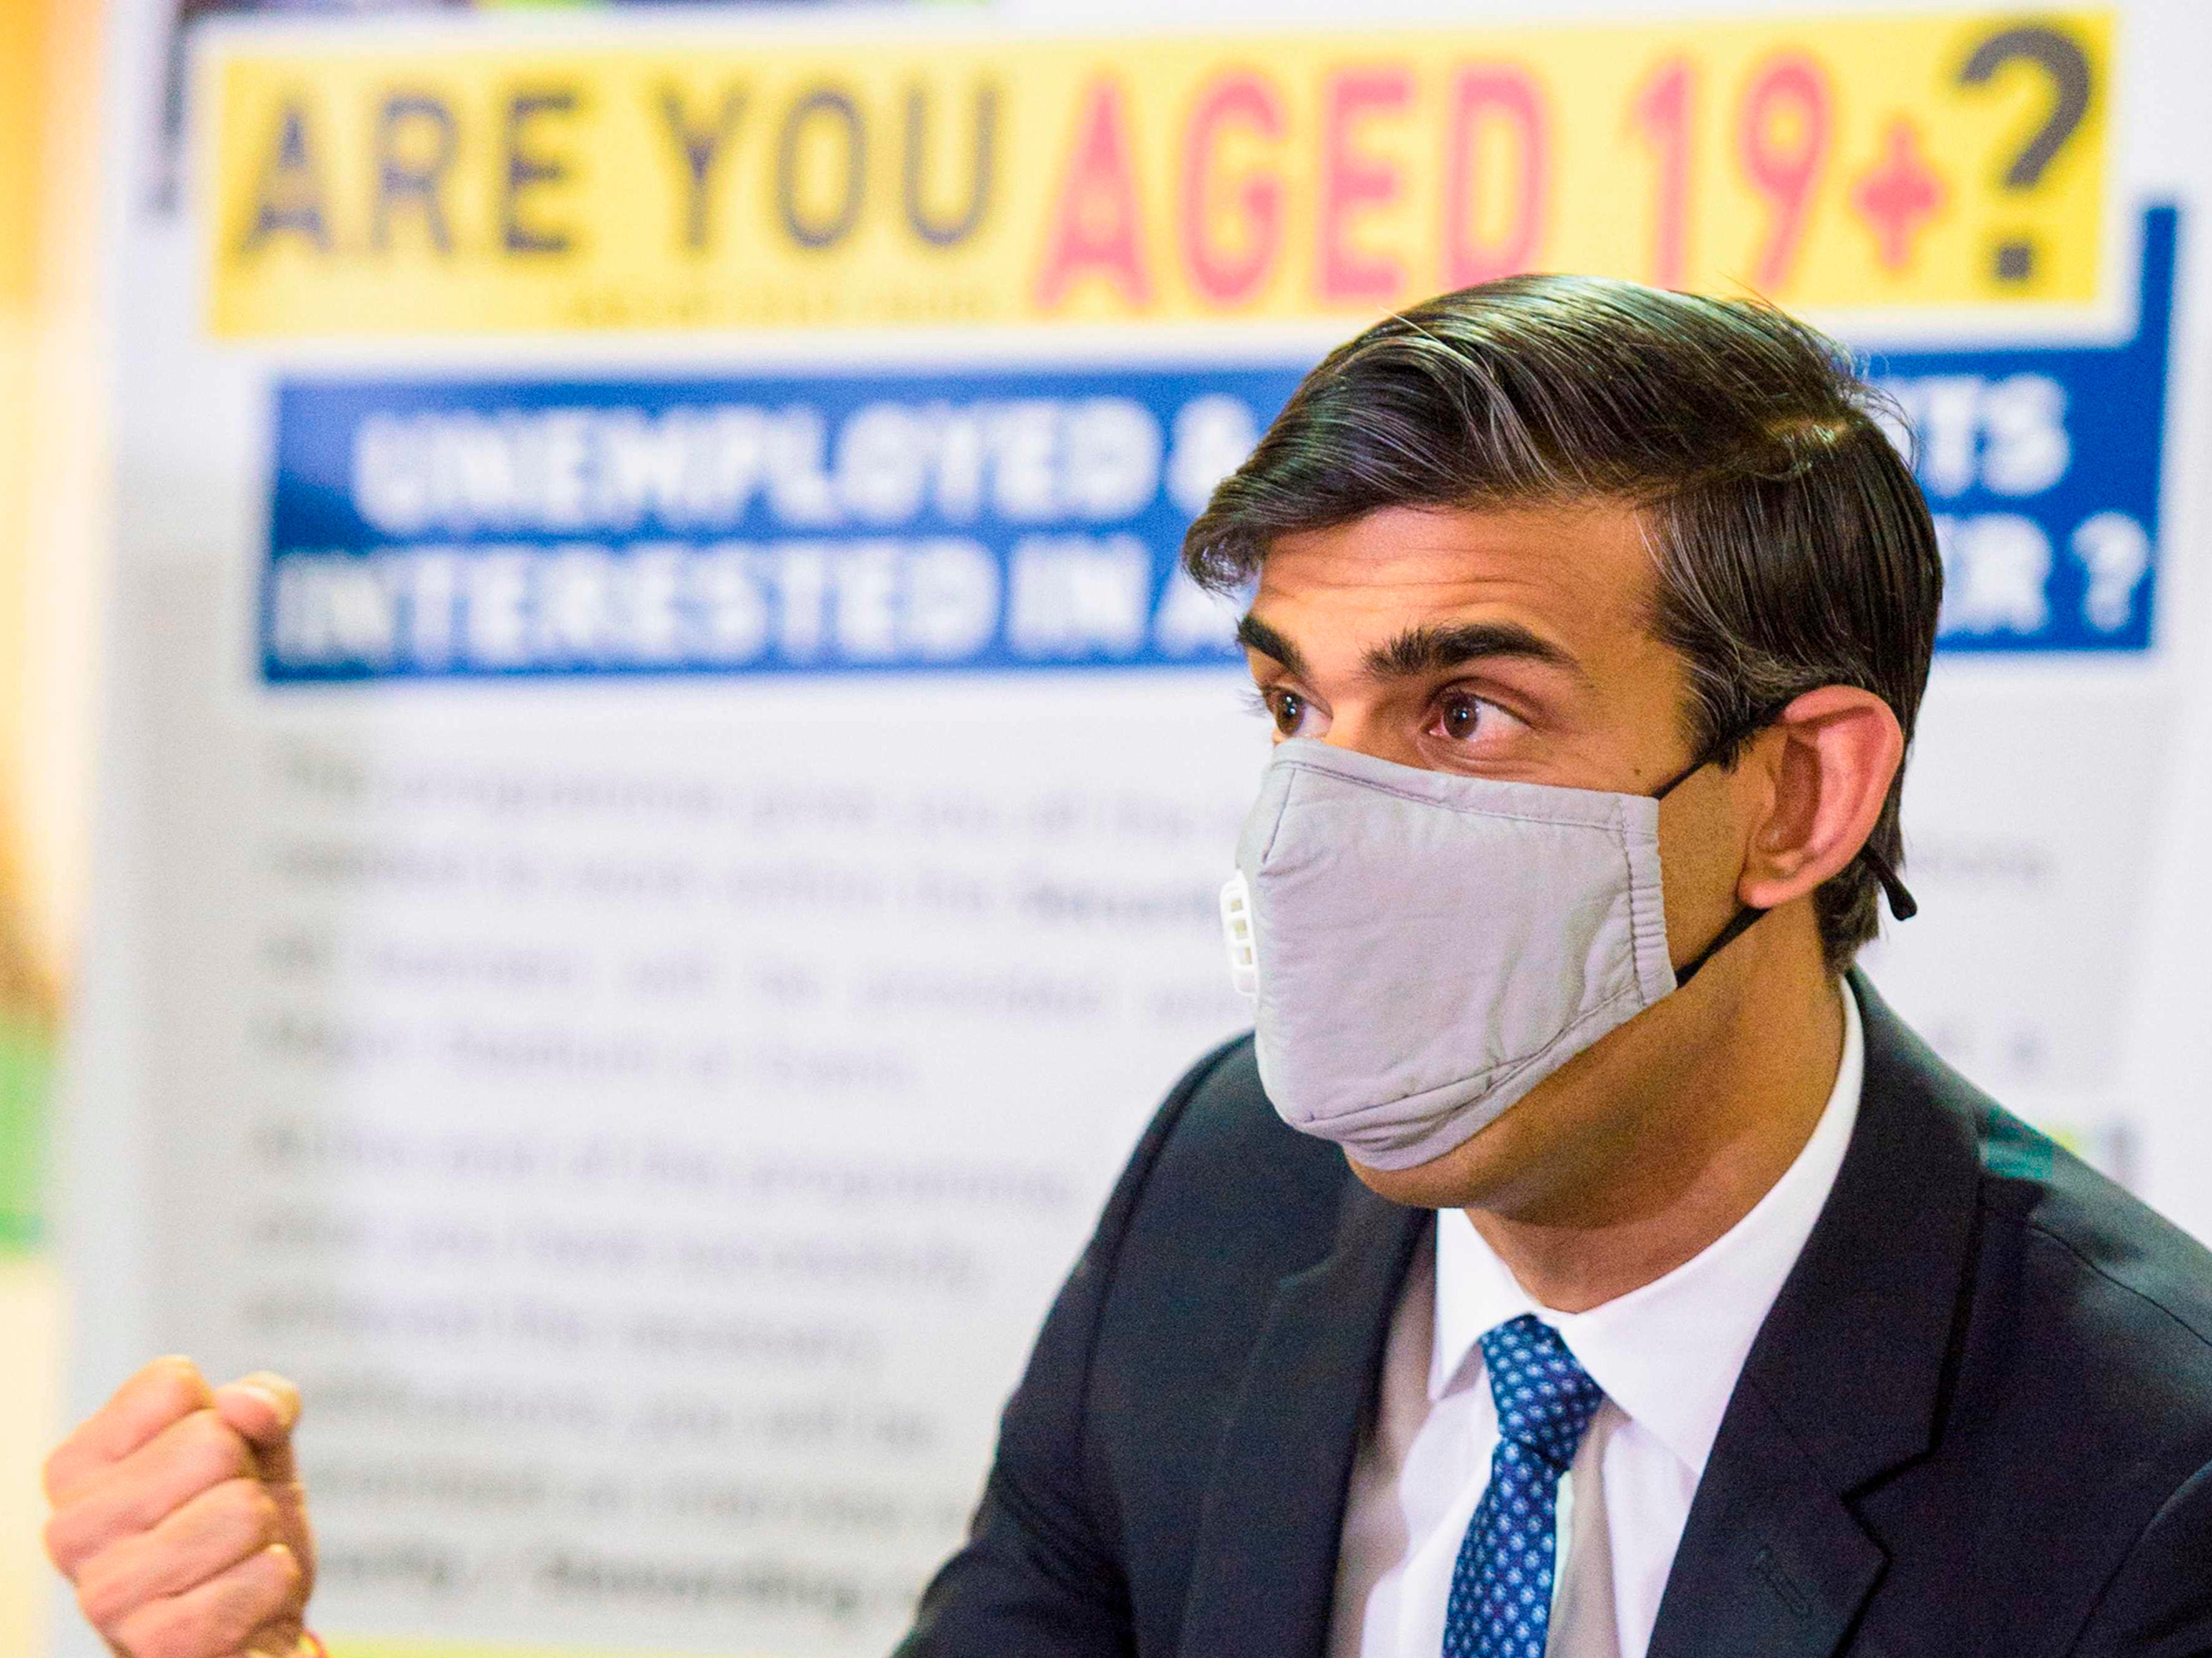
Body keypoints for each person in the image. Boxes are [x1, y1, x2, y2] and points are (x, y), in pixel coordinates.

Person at [45, 277, 2212, 1658]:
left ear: (1799, 798)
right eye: (1297, 707)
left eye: (1464, 713)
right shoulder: (1231, 1183)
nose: (1326, 831)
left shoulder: (2151, 1480)